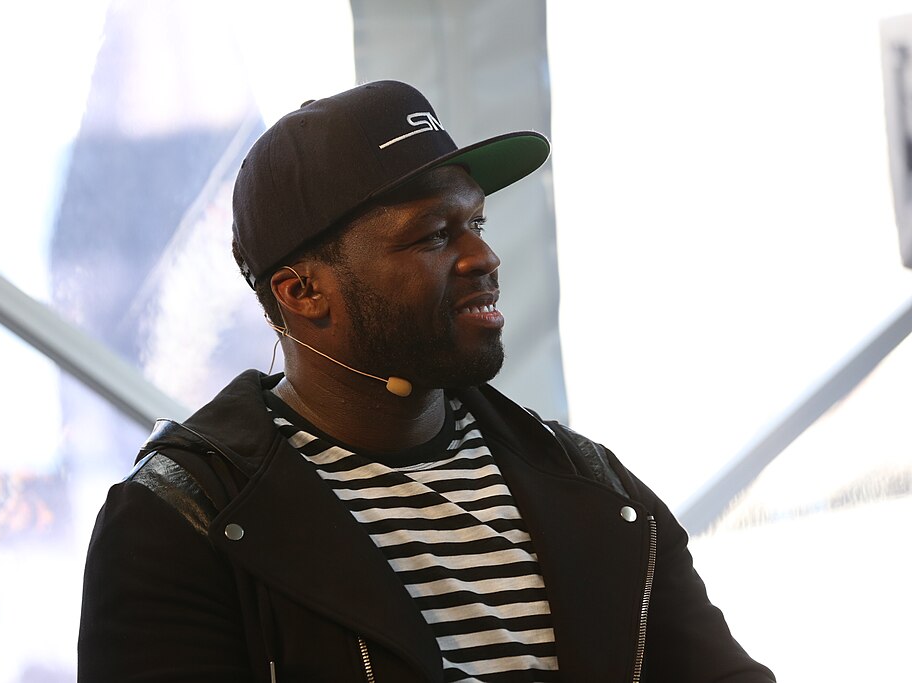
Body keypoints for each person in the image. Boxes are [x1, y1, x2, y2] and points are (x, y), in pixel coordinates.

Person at [78, 80, 775, 682]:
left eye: (476, 220)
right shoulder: (179, 522)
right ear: (302, 291)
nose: (484, 255)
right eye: (435, 235)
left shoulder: (592, 486)